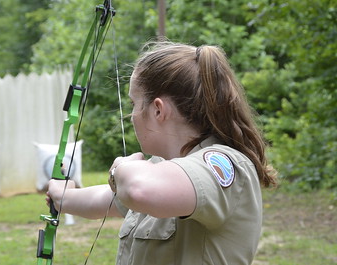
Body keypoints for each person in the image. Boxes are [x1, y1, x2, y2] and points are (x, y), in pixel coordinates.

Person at [47, 41, 278, 264]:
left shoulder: (221, 162)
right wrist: (62, 196)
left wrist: (120, 168)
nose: (131, 115)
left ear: (158, 110)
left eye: (134, 104)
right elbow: (105, 200)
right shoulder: (159, 168)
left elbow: (138, 189)